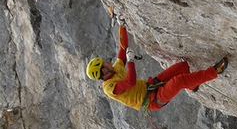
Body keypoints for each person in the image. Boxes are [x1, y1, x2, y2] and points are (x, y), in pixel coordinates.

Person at [86, 25, 228, 115]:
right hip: (153, 100)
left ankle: (193, 86)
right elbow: (130, 83)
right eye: (104, 63)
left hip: (152, 85)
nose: (107, 62)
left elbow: (123, 48)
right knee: (179, 81)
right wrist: (131, 62)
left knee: (182, 67)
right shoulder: (109, 87)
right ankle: (215, 72)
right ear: (104, 71)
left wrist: (121, 24)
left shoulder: (114, 70)